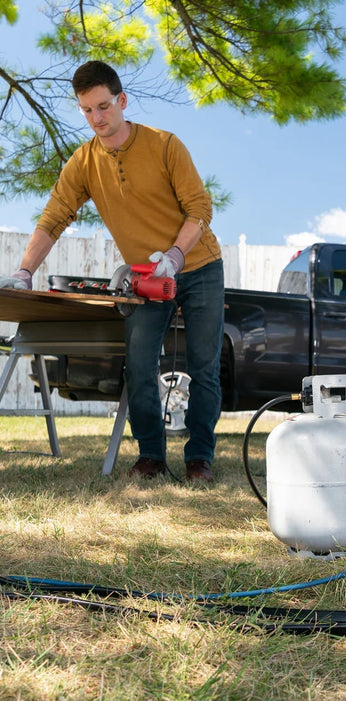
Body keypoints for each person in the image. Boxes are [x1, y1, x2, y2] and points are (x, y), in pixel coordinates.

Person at [0, 61, 224, 483]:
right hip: (144, 280)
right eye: (87, 110)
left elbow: (200, 208)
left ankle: (199, 459)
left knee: (204, 365)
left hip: (198, 266)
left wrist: (175, 257)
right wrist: (25, 271)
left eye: (103, 106)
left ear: (121, 101)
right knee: (139, 365)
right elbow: (53, 218)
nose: (97, 118)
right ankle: (152, 457)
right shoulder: (84, 162)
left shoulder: (164, 144)